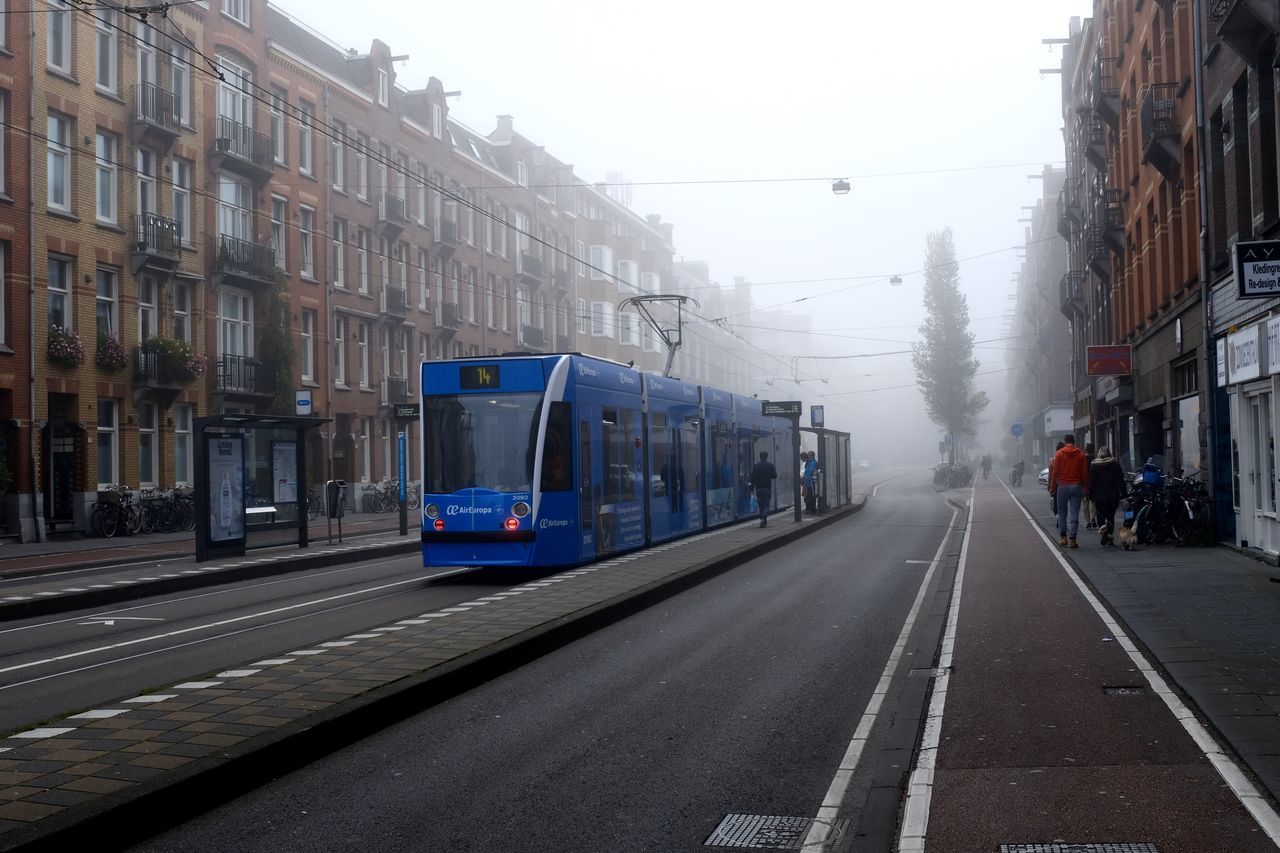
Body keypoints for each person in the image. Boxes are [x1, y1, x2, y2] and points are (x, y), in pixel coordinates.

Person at [1049, 434, 1090, 548]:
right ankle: (1073, 539)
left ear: (1065, 441)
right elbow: (1085, 473)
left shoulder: (1059, 454)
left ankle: (1063, 538)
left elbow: (1055, 472)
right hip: (1076, 485)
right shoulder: (1081, 454)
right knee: (1075, 512)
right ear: (1074, 441)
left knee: (1062, 513)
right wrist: (1086, 487)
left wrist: (1053, 487)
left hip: (1063, 486)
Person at [1089, 446, 1127, 546]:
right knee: (1110, 517)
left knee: (1100, 515)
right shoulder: (1115, 464)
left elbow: (1091, 482)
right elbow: (1121, 481)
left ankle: (1102, 528)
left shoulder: (1094, 465)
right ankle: (1109, 536)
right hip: (1113, 495)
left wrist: (1090, 495)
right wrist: (1124, 495)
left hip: (1099, 495)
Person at [749, 450, 777, 528]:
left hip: (759, 489)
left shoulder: (756, 466)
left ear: (760, 457)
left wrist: (751, 488)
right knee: (766, 505)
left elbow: (753, 478)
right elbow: (774, 476)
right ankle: (764, 516)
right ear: (766, 457)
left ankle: (762, 520)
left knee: (761, 505)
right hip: (767, 488)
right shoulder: (770, 466)